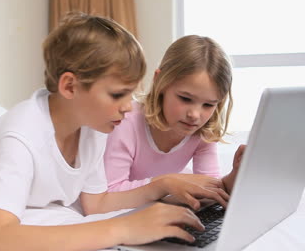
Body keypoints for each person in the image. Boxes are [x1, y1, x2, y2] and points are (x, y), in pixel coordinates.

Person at [0, 13, 229, 250]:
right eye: (118, 94)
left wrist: (158, 191)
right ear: (70, 86)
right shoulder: (21, 138)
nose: (128, 106)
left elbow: (95, 202)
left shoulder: (96, 126)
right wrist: (124, 229)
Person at [104, 35, 245, 198]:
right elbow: (110, 191)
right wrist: (168, 183)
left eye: (208, 105)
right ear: (160, 81)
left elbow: (209, 188)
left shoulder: (203, 132)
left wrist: (235, 174)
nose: (194, 115)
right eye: (185, 99)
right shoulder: (125, 122)